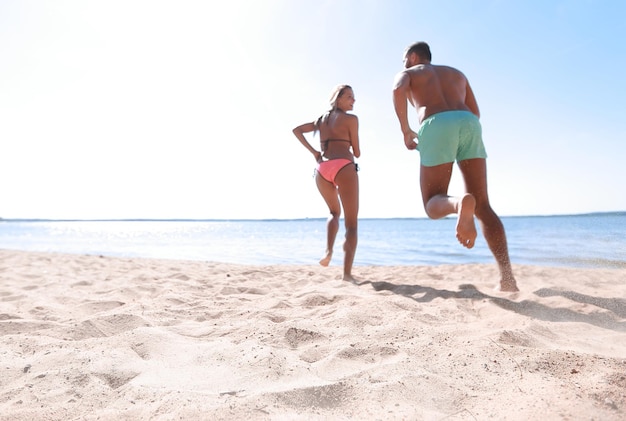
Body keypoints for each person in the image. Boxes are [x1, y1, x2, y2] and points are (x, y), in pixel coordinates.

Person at [392, 41, 518, 292]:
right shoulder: (457, 73)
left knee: (432, 202)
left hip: (436, 122)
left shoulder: (408, 73)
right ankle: (507, 278)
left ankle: (459, 203)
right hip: (469, 122)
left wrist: (406, 130)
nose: (402, 63)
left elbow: (397, 89)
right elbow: (476, 112)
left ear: (413, 56)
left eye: (403, 58)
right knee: (483, 205)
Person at [292, 84, 361, 283]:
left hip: (323, 170)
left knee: (334, 213)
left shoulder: (321, 120)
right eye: (349, 96)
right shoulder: (351, 119)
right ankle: (346, 274)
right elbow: (356, 152)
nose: (353, 100)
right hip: (344, 167)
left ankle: (328, 251)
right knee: (352, 225)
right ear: (338, 98)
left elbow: (296, 130)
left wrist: (315, 152)